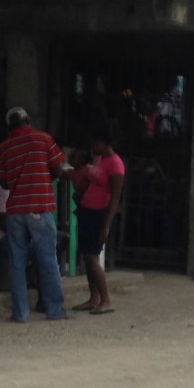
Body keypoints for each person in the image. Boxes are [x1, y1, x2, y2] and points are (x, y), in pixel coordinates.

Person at [0, 106, 67, 322]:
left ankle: (20, 313)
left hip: (15, 209)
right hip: (39, 206)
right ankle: (55, 310)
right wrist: (43, 177)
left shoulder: (3, 148)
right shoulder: (44, 139)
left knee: (17, 262)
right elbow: (59, 170)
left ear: (9, 126)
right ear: (28, 120)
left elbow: (4, 183)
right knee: (47, 258)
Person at [70, 126, 125, 315]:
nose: (92, 147)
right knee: (87, 255)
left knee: (92, 257)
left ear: (103, 143)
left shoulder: (116, 164)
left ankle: (105, 299)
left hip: (99, 213)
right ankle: (94, 297)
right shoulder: (100, 159)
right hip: (87, 210)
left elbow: (115, 197)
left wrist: (106, 225)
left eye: (95, 143)